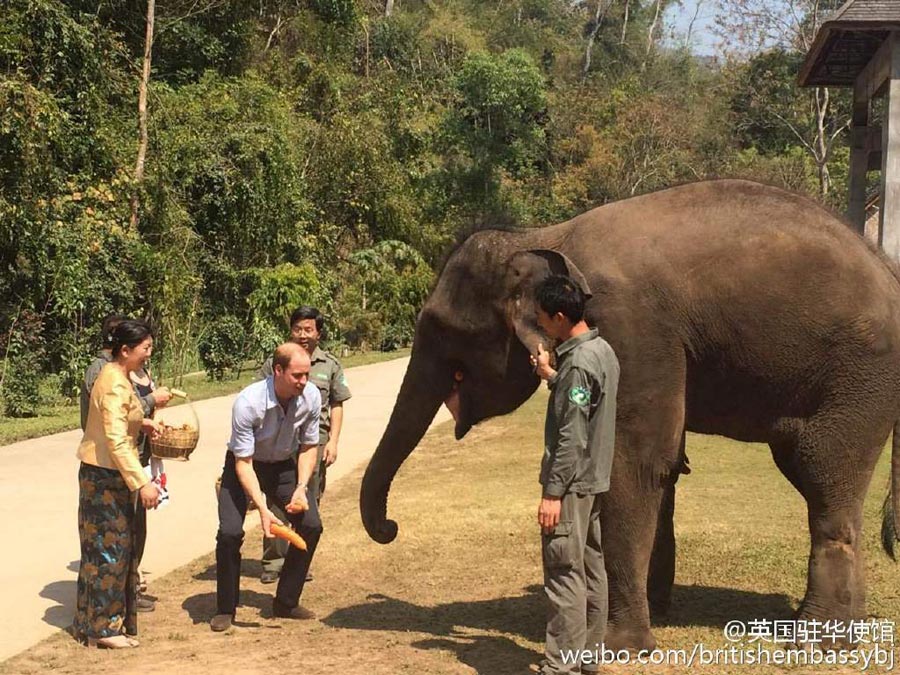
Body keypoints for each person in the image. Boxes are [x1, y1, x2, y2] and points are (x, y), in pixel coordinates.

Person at [529, 275, 620, 675]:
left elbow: (571, 435)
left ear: (561, 317)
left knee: (564, 573)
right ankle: (588, 657)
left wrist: (553, 493)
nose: (541, 325)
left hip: (571, 485)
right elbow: (583, 403)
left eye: (543, 319)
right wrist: (551, 375)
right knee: (590, 568)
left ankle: (559, 667)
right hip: (593, 482)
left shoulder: (580, 364)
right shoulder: (600, 351)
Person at [211, 342, 323, 632]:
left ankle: (286, 602)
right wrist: (262, 508)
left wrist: (301, 486)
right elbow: (243, 463)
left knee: (311, 524)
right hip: (245, 465)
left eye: (307, 375)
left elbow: (310, 446)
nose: (304, 382)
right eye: (297, 375)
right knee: (230, 532)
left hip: (284, 466)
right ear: (278, 370)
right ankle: (226, 608)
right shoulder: (248, 402)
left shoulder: (310, 397)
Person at [74, 320, 163, 649]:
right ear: (125, 350)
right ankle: (104, 630)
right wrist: (142, 483)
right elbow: (113, 437)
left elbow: (121, 419)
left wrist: (144, 423)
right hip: (106, 477)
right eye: (145, 349)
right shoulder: (112, 381)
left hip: (109, 473)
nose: (148, 354)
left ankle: (93, 623)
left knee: (106, 550)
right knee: (110, 552)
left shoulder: (118, 375)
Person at [256, 307, 351, 584]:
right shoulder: (276, 362)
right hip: (281, 441)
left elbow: (337, 404)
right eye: (297, 329)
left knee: (308, 502)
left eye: (308, 329)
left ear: (318, 332)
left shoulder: (330, 365)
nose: (302, 334)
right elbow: (261, 396)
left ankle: (299, 562)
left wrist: (333, 441)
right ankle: (274, 562)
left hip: (315, 442)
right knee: (277, 502)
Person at [129, 359, 172, 611]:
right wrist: (152, 400)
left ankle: (132, 583)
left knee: (138, 526)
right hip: (126, 461)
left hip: (140, 456)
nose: (148, 352)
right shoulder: (105, 373)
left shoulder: (141, 370)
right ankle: (126, 591)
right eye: (144, 346)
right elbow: (120, 421)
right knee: (129, 529)